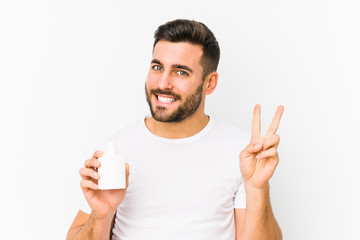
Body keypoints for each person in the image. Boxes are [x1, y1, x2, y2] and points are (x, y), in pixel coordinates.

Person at [66, 19, 284, 240]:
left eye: (180, 72)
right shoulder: (114, 152)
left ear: (209, 83)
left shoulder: (243, 152)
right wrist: (101, 215)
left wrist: (257, 189)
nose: (163, 83)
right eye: (157, 67)